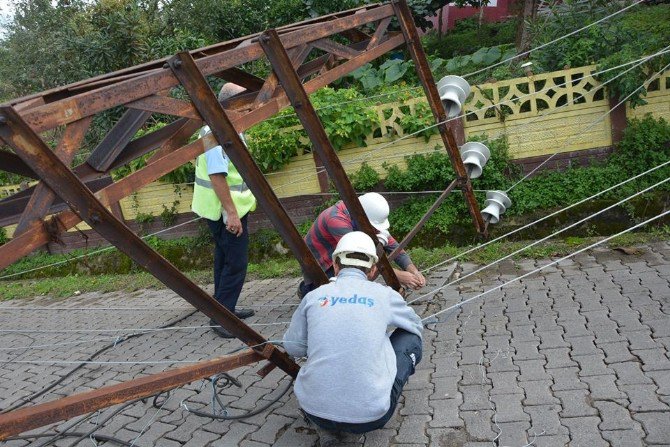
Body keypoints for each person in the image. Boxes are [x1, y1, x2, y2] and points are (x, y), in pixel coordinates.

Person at [283, 231, 423, 444]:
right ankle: (358, 417)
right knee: (411, 337)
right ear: (373, 270)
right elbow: (415, 326)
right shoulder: (385, 295)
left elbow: (293, 347)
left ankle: (328, 426)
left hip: (313, 410)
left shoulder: (313, 296)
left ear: (336, 266)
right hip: (371, 418)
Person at [191, 83, 257, 338]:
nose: (250, 107)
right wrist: (230, 213)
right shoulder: (215, 133)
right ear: (233, 105)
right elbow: (217, 175)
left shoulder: (224, 128)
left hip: (227, 208)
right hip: (225, 211)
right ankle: (223, 320)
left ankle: (223, 310)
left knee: (224, 259)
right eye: (246, 103)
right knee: (236, 262)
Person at [299, 192, 426, 297]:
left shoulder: (362, 214)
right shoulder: (336, 219)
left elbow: (393, 246)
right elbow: (357, 257)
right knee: (336, 290)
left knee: (361, 272)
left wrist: (413, 270)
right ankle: (307, 288)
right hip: (320, 265)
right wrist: (398, 276)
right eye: (373, 226)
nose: (375, 229)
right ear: (363, 218)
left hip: (338, 257)